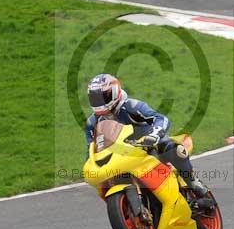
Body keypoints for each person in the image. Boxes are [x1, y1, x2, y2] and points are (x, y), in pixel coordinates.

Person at [84, 73, 214, 209]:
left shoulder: (131, 106)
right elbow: (91, 148)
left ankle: (193, 182)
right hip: (121, 156)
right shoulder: (92, 123)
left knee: (173, 148)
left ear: (115, 92)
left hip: (147, 143)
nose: (99, 103)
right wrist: (90, 164)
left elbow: (161, 118)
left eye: (103, 97)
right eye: (95, 98)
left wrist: (155, 134)